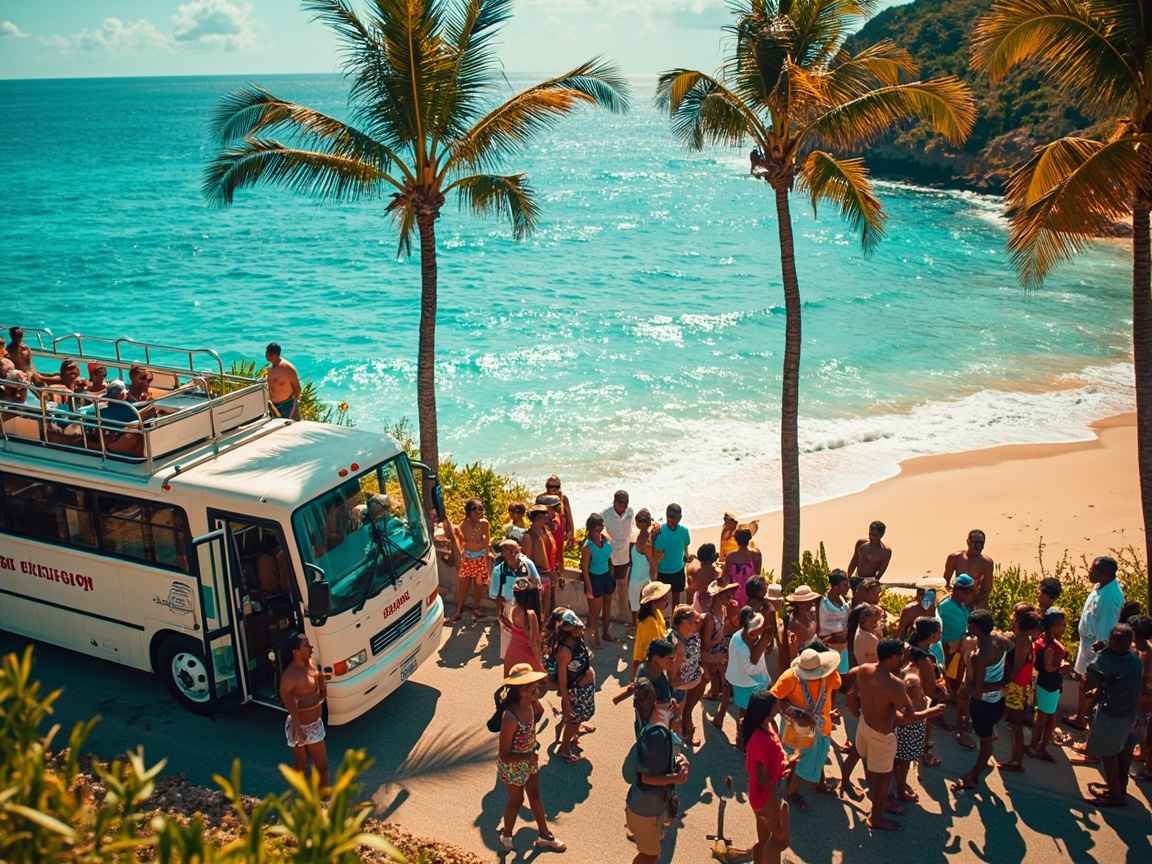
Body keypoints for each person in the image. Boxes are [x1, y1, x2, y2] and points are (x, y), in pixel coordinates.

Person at [854, 639, 944, 830]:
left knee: (871, 772)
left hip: (864, 726)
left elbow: (854, 692)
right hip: (882, 737)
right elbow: (908, 718)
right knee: (884, 779)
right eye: (900, 656)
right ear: (893, 657)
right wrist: (932, 711)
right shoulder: (895, 685)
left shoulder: (864, 669)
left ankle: (877, 803)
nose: (903, 659)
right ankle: (876, 817)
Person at [490, 663, 566, 853]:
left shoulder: (531, 704)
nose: (536, 688)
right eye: (530, 685)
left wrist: (537, 700)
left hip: (530, 758)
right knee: (516, 801)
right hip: (514, 766)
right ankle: (506, 835)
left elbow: (538, 714)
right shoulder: (510, 716)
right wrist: (528, 756)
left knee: (535, 795)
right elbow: (504, 755)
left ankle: (545, 836)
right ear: (519, 690)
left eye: (535, 684)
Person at [626, 678, 689, 864]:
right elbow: (647, 778)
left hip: (646, 806)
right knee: (650, 856)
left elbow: (672, 746)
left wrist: (678, 759)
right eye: (669, 699)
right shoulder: (656, 735)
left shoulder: (652, 724)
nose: (673, 702)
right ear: (657, 703)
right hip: (646, 810)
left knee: (652, 854)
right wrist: (677, 778)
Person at [951, 610, 1014, 794]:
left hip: (983, 705)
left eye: (970, 625)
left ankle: (973, 775)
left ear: (975, 627)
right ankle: (982, 762)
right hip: (998, 701)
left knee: (985, 743)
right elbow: (1012, 650)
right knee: (986, 737)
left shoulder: (978, 655)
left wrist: (964, 690)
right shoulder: (1000, 641)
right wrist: (1005, 680)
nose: (968, 628)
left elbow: (978, 692)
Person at [771, 644, 841, 808]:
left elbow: (775, 697)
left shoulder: (790, 677)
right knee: (802, 759)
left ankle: (818, 782)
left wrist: (790, 711)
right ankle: (792, 792)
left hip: (798, 725)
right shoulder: (830, 676)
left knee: (812, 755)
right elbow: (838, 685)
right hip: (818, 725)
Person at [1081, 624, 1143, 807]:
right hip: (1130, 713)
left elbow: (1089, 682)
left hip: (1112, 714)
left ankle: (1115, 796)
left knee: (1108, 754)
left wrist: (1098, 656)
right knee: (1123, 753)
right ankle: (1119, 788)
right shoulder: (1134, 659)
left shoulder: (1108, 660)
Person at [1066, 556, 1126, 730]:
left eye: (1094, 570)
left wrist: (1099, 649)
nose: (1089, 572)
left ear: (1105, 574)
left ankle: (1083, 719)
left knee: (1089, 684)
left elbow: (1107, 627)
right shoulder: (1101, 585)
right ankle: (1079, 716)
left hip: (1096, 648)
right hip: (1087, 645)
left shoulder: (1110, 597)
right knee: (1083, 680)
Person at [742, 689, 790, 864]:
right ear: (767, 709)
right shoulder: (758, 739)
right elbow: (763, 779)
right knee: (777, 842)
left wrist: (786, 762)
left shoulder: (766, 726)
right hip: (766, 795)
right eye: (774, 702)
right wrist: (773, 803)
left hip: (762, 792)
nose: (778, 704)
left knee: (764, 840)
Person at [279, 632, 329, 788]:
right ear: (296, 652)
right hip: (300, 727)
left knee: (315, 766)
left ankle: (318, 797)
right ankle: (321, 799)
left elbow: (320, 692)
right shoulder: (290, 676)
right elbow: (288, 703)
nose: (310, 647)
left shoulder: (312, 664)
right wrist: (298, 729)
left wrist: (322, 684)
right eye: (306, 645)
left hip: (315, 724)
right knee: (309, 765)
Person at [549, 609, 596, 764]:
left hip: (585, 687)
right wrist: (567, 702)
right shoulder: (564, 651)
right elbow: (563, 681)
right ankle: (564, 748)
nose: (580, 629)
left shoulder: (578, 639)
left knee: (581, 715)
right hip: (575, 689)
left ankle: (572, 734)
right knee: (574, 718)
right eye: (576, 628)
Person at [1000, 604, 1042, 773]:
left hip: (1016, 687)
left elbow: (1016, 667)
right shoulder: (1026, 639)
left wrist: (1004, 681)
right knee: (1014, 722)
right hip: (1021, 685)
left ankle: (1016, 761)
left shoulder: (1022, 641)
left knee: (1016, 724)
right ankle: (1016, 758)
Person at [938, 574, 975, 745]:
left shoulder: (961, 606)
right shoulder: (946, 607)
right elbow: (945, 635)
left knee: (955, 682)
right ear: (958, 590)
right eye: (967, 591)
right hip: (951, 651)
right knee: (951, 684)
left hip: (960, 651)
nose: (970, 595)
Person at [1028, 608, 1069, 762]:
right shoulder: (1052, 647)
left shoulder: (1041, 640)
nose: (1064, 628)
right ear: (1052, 626)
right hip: (1050, 685)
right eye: (1061, 625)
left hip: (1045, 684)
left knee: (1045, 716)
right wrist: (1063, 667)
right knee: (1045, 717)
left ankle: (1036, 746)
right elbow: (1048, 668)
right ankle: (1039, 747)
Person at [490, 539, 542, 657]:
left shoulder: (528, 565)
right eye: (509, 551)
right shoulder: (499, 571)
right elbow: (496, 595)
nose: (513, 554)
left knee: (531, 638)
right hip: (508, 609)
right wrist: (500, 614)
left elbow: (538, 586)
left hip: (528, 605)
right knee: (509, 646)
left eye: (515, 550)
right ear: (503, 553)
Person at [725, 607, 772, 736]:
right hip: (745, 684)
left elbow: (764, 653)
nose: (762, 629)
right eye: (759, 627)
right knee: (745, 715)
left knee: (752, 714)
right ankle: (742, 739)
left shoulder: (751, 635)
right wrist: (763, 643)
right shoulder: (740, 645)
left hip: (755, 682)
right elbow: (751, 668)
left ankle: (746, 736)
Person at [703, 581, 739, 728]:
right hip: (713, 656)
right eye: (727, 594)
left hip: (721, 654)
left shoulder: (723, 610)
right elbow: (706, 644)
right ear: (718, 596)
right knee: (712, 682)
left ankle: (719, 714)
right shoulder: (710, 618)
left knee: (725, 684)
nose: (730, 596)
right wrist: (718, 640)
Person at [451, 498, 491, 623]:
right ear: (469, 512)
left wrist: (486, 560)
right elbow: (456, 542)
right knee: (463, 586)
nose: (479, 512)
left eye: (481, 509)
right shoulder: (462, 525)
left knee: (479, 585)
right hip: (468, 559)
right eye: (476, 509)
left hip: (480, 559)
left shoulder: (484, 523)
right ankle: (458, 610)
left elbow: (487, 543)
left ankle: (476, 609)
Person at [669, 605, 704, 747]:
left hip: (691, 681)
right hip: (680, 687)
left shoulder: (691, 634)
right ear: (683, 623)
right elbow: (672, 670)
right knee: (675, 716)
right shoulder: (676, 643)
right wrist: (675, 683)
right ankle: (675, 744)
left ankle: (683, 735)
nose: (697, 623)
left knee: (685, 710)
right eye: (693, 621)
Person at [581, 512, 616, 646]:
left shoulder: (605, 540)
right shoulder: (587, 547)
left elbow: (609, 560)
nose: (599, 530)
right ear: (590, 529)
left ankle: (606, 633)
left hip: (606, 577)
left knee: (607, 607)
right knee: (594, 612)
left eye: (601, 527)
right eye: (597, 528)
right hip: (594, 579)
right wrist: (589, 587)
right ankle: (595, 639)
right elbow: (584, 569)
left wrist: (611, 576)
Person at [602, 490, 634, 624]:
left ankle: (624, 615)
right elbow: (598, 530)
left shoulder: (630, 512)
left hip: (625, 554)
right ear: (614, 502)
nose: (623, 507)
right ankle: (606, 618)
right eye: (620, 504)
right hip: (610, 555)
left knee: (623, 585)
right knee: (608, 588)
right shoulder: (605, 514)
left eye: (625, 504)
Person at [652, 503, 692, 606]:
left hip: (678, 571)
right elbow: (656, 556)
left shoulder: (684, 531)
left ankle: (675, 621)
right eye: (669, 517)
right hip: (662, 572)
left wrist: (688, 558)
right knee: (661, 601)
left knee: (676, 599)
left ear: (680, 517)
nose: (671, 520)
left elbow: (685, 548)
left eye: (674, 518)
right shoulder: (660, 532)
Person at [943, 530, 994, 609]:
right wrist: (951, 597)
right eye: (975, 542)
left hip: (975, 601)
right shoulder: (955, 558)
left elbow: (986, 590)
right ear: (968, 542)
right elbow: (945, 582)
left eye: (981, 543)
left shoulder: (986, 563)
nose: (978, 546)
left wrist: (975, 604)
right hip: (956, 599)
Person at [522, 505, 559, 615]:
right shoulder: (528, 536)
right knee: (537, 609)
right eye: (545, 515)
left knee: (547, 609)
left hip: (548, 575)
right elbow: (527, 562)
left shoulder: (546, 531)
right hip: (537, 576)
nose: (548, 517)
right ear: (538, 518)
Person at [503, 576, 544, 674]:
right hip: (526, 656)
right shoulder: (531, 615)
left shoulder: (512, 609)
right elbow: (533, 643)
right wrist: (540, 665)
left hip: (511, 653)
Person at [632, 581, 671, 681]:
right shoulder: (649, 623)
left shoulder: (657, 613)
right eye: (664, 598)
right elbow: (652, 653)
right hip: (651, 669)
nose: (667, 600)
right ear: (654, 601)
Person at [1130, 614, 1152, 782]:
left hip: (1147, 703)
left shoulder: (1147, 655)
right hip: (1143, 702)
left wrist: (1141, 698)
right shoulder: (1143, 650)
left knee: (1147, 734)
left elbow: (1147, 683)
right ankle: (1144, 755)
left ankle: (1149, 769)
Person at [816, 570, 851, 675]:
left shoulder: (845, 602)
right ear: (835, 587)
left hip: (843, 648)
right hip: (827, 647)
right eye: (845, 585)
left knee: (842, 677)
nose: (848, 587)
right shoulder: (821, 602)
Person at [628, 509, 658, 629]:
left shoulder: (646, 540)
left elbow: (651, 561)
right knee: (638, 604)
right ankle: (637, 626)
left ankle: (637, 628)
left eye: (639, 521)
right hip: (640, 575)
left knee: (635, 605)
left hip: (639, 578)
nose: (636, 523)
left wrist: (654, 575)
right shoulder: (646, 535)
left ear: (645, 523)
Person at [723, 527, 762, 606]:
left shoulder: (730, 556)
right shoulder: (756, 554)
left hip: (735, 595)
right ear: (749, 538)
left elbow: (725, 577)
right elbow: (758, 575)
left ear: (736, 540)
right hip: (752, 593)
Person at [265, 343, 301, 419]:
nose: (265, 355)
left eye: (267, 353)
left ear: (274, 355)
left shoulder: (287, 368)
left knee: (291, 428)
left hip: (287, 406)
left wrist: (294, 407)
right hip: (273, 406)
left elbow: (297, 388)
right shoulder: (269, 368)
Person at [542, 475, 575, 554]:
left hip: (560, 533)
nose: (553, 489)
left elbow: (569, 517)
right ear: (546, 487)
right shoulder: (542, 498)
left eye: (557, 487)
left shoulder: (564, 499)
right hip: (546, 533)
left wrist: (571, 534)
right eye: (550, 486)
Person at [784, 585, 820, 653]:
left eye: (810, 601)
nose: (809, 604)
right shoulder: (793, 622)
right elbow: (793, 648)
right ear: (797, 603)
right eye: (805, 602)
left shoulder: (813, 613)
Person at [686, 542, 721, 610]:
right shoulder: (716, 572)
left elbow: (689, 589)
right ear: (713, 558)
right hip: (709, 606)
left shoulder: (691, 567)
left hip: (695, 604)